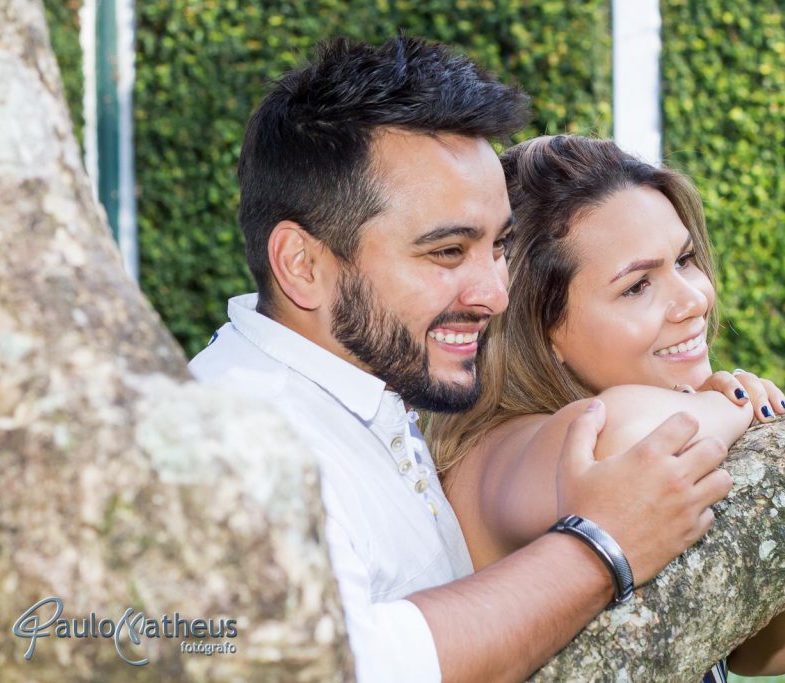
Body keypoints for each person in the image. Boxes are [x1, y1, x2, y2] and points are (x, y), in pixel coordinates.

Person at [190, 38, 734, 682]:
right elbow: (343, 666)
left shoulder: (370, 396)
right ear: (303, 265)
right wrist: (603, 546)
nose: (496, 294)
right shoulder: (230, 439)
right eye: (447, 252)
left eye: (498, 245)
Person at [429, 135, 785, 680]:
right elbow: (623, 429)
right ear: (542, 332)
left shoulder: (670, 443)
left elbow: (774, 653)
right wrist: (734, 409)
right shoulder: (499, 448)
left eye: (684, 260)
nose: (693, 300)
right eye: (637, 286)